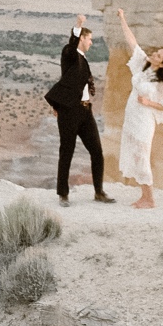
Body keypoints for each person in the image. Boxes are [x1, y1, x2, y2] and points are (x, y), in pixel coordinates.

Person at [44, 15, 114, 208]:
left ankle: (99, 192)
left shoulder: (84, 60)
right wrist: (79, 26)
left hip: (85, 111)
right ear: (81, 39)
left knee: (97, 151)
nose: (91, 42)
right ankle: (63, 194)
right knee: (67, 152)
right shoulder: (70, 53)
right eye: (89, 39)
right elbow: (72, 43)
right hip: (69, 111)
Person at [113, 8, 163, 208]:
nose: (153, 54)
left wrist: (149, 103)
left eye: (157, 55)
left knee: (141, 155)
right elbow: (132, 42)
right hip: (132, 116)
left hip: (144, 120)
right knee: (134, 153)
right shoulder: (143, 65)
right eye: (155, 52)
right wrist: (122, 19)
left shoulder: (161, 84)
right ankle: (144, 196)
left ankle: (149, 199)